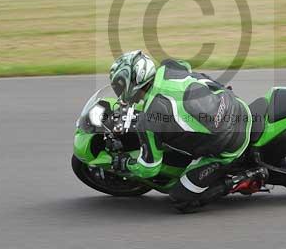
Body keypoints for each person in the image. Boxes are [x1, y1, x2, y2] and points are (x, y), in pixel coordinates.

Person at [108, 50, 267, 211]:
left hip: (230, 146)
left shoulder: (149, 122)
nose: (119, 92)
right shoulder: (169, 67)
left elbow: (149, 169)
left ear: (132, 83)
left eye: (120, 86)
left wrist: (125, 164)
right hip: (235, 105)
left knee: (181, 199)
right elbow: (187, 68)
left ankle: (243, 179)